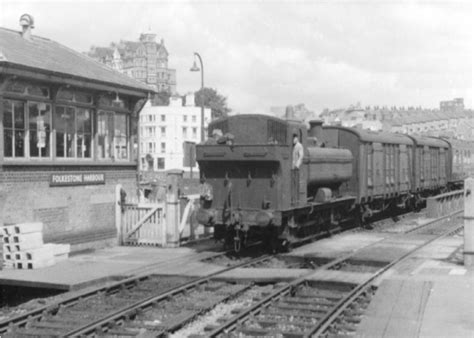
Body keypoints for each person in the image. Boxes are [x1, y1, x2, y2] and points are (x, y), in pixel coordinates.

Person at [291, 133, 304, 205]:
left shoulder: (299, 145)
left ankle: (295, 200)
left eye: (294, 137)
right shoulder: (292, 146)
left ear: (296, 138)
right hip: (292, 167)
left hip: (296, 168)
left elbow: (301, 156)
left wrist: (297, 165)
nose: (293, 139)